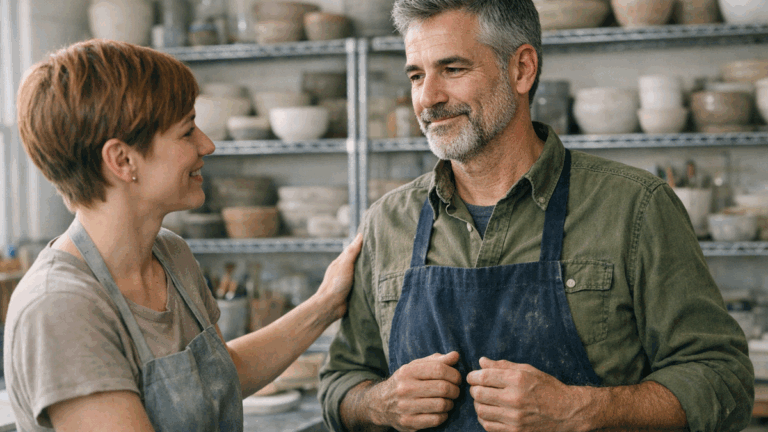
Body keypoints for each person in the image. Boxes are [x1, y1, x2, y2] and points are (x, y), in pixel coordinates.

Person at [318, 1, 754, 431]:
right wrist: (379, 402)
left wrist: (583, 410)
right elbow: (340, 381)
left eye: (452, 70)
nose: (427, 98)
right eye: (417, 75)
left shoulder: (635, 207)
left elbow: (723, 378)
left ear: (522, 69)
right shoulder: (388, 221)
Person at [4, 38, 363, 432]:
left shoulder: (170, 255)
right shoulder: (61, 309)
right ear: (122, 160)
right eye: (187, 131)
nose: (206, 144)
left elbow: (215, 379)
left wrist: (327, 303)